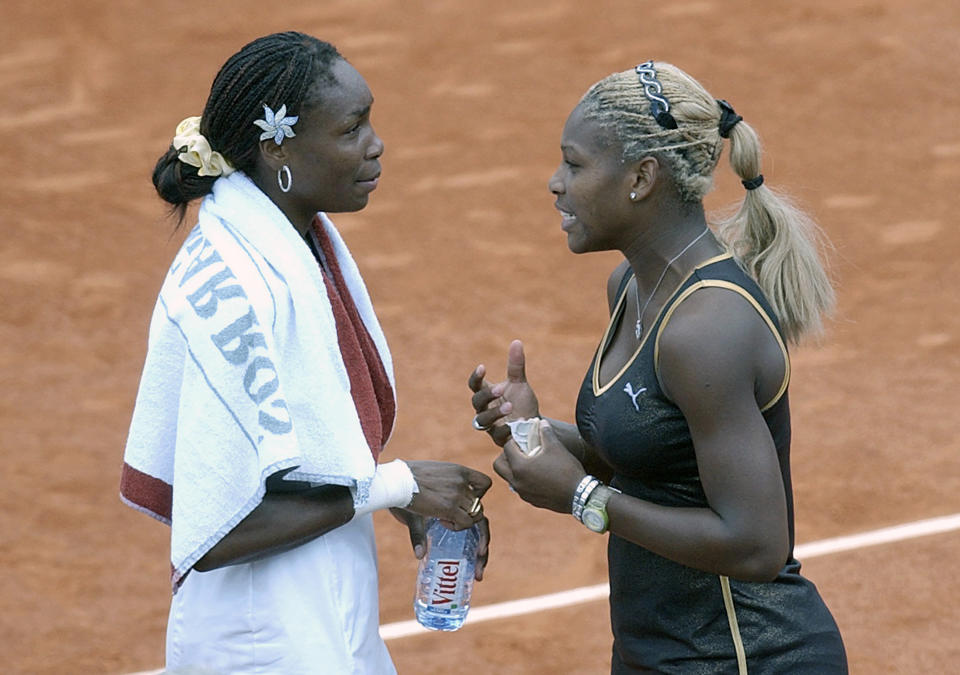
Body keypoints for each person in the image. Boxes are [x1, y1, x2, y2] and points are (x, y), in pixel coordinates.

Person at [120, 31, 491, 674]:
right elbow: (217, 530)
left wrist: (394, 496)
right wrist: (397, 485)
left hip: (319, 604)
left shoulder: (292, 243)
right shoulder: (240, 288)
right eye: (351, 129)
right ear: (276, 148)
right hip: (262, 637)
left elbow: (309, 467)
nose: (375, 144)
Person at [468, 61, 847, 673]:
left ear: (641, 178)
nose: (555, 183)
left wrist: (583, 498)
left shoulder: (707, 329)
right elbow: (660, 461)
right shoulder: (631, 287)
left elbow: (756, 546)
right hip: (661, 654)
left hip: (745, 656)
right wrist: (536, 434)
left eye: (575, 164)